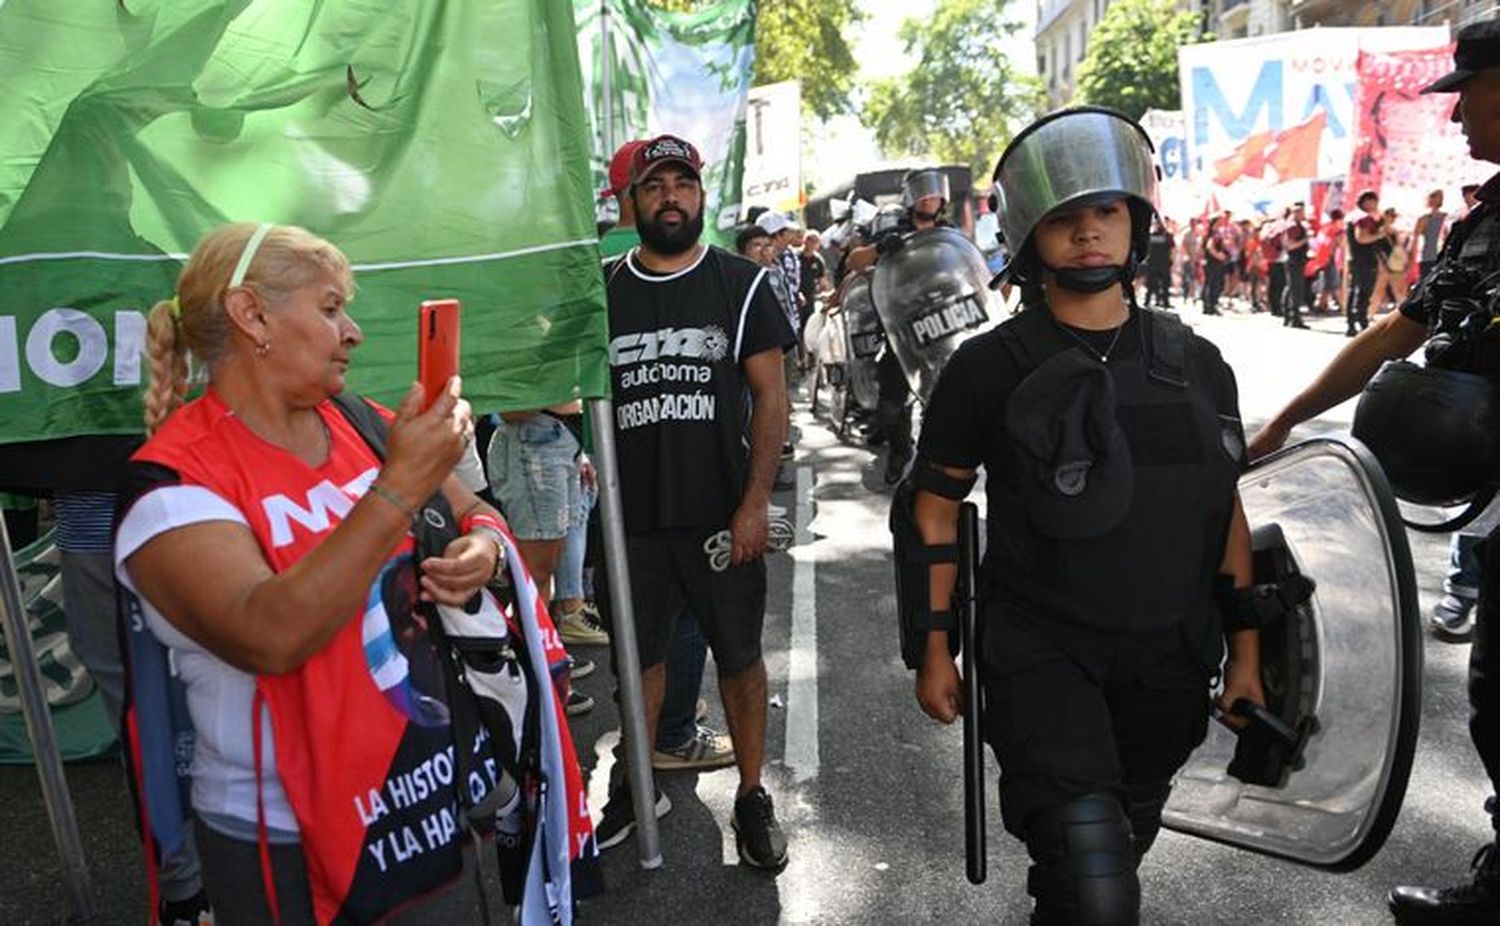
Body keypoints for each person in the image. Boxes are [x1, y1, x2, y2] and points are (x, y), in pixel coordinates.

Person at [113, 223, 550, 923]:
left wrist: (484, 555)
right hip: (285, 840)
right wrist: (402, 485)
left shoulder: (355, 420)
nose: (353, 332)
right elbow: (271, 633)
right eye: (329, 308)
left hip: (425, 792)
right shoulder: (170, 482)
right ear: (251, 314)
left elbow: (478, 515)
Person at [904, 107, 1263, 924]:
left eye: (1106, 212)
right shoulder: (986, 368)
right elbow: (931, 510)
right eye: (1066, 218)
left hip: (1169, 660)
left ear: (1135, 221)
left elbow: (1225, 510)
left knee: (1101, 867)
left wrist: (1248, 649)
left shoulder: (1197, 364)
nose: (1089, 234)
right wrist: (933, 649)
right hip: (1042, 651)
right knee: (1095, 882)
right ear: (1032, 236)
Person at [1246, 22, 1500, 921]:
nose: (1458, 112)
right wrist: (1287, 418)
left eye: (1471, 90)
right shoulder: (1488, 220)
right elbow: (1399, 331)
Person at [595, 134, 794, 869]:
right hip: (630, 522)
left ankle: (751, 795)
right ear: (633, 202)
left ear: (701, 197)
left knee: (739, 657)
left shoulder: (740, 283)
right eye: (655, 185)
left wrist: (754, 502)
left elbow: (771, 397)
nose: (671, 196)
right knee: (639, 661)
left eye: (683, 183)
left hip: (720, 517)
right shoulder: (604, 290)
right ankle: (637, 785)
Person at [1345, 189, 1387, 336]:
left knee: (1354, 291)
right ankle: (1362, 323)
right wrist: (1381, 234)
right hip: (1365, 260)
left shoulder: (1353, 216)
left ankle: (1351, 324)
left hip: (1355, 259)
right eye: (1374, 201)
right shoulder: (1363, 217)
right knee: (1363, 292)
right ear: (1367, 201)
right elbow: (1361, 238)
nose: (1376, 204)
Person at [1282, 202, 1312, 329]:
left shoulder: (1294, 225)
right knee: (1295, 289)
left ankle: (1289, 316)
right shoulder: (1293, 226)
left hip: (1296, 259)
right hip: (1294, 260)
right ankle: (1294, 317)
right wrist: (1306, 239)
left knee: (1291, 288)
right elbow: (1290, 245)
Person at [1414, 189, 1449, 280]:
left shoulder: (1446, 217)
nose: (1440, 199)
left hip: (1442, 256)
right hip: (1428, 256)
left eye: (1441, 197)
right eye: (1437, 196)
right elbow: (1416, 239)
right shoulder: (1424, 219)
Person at [1145, 215, 1174, 309]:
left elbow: (1172, 250)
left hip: (1164, 263)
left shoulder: (1168, 236)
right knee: (1151, 284)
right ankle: (1148, 301)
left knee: (1165, 284)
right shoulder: (1151, 235)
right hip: (1153, 263)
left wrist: (1171, 261)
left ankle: (1165, 302)